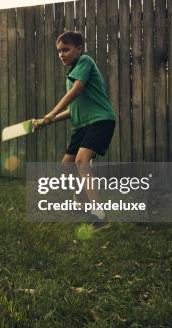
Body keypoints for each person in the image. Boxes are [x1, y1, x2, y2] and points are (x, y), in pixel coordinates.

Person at [33, 31, 116, 221]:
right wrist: (47, 121)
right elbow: (72, 110)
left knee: (81, 161)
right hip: (82, 126)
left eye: (66, 50)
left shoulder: (85, 62)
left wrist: (51, 113)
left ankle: (98, 213)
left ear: (78, 49)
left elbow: (77, 91)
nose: (61, 54)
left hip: (100, 120)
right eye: (59, 51)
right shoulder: (71, 73)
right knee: (67, 166)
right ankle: (80, 205)